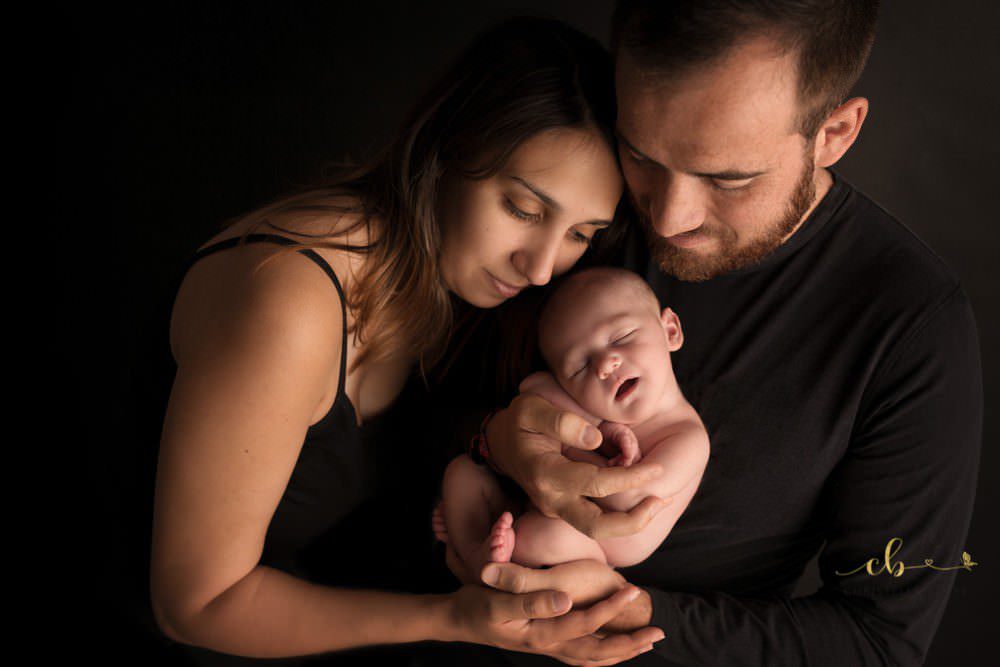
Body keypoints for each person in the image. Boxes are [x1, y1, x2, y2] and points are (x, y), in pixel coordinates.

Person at [441, 2, 982, 665]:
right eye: (642, 154)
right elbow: (403, 404)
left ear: (834, 133)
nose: (669, 218)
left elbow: (879, 642)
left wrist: (636, 610)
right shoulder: (583, 198)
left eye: (728, 179)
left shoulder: (911, 325)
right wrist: (493, 440)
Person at [149, 17, 670, 666]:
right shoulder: (291, 300)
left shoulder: (455, 285)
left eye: (579, 234)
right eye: (523, 209)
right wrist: (455, 619)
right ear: (451, 147)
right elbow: (193, 605)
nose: (541, 267)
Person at [436, 267, 709, 580]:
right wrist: (600, 429)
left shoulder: (687, 436)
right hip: (525, 499)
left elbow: (626, 499)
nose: (605, 366)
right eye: (580, 368)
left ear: (670, 331)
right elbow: (533, 386)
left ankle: (492, 559)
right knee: (461, 472)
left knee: (541, 536)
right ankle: (473, 553)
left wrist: (570, 449)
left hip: (594, 546)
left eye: (622, 337)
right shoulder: (593, 410)